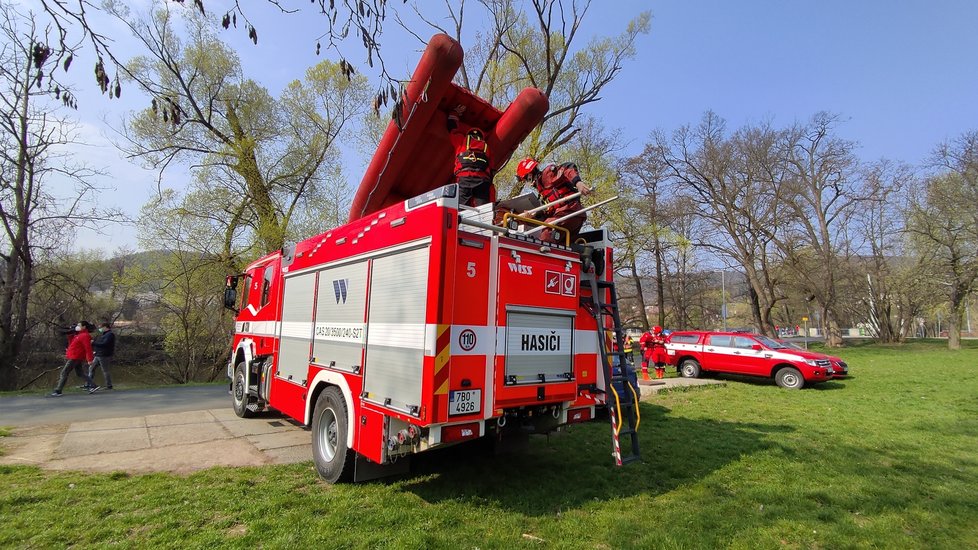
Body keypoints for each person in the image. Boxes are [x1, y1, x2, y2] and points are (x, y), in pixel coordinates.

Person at [515, 157, 591, 243]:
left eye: (525, 179)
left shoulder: (547, 175)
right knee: (564, 246)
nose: (526, 183)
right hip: (575, 216)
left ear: (529, 176)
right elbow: (548, 209)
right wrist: (534, 214)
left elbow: (567, 167)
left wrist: (578, 182)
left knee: (545, 235)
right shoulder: (542, 191)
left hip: (569, 211)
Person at [447, 105, 493, 207]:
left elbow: (451, 128)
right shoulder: (487, 148)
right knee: (483, 209)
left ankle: (460, 222)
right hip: (482, 181)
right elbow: (490, 168)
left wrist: (454, 113)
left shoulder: (461, 141)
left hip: (465, 178)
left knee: (461, 209)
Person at [50, 321, 97, 397]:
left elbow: (88, 348)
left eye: (79, 325)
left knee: (64, 373)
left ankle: (58, 390)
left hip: (75, 357)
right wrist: (70, 333)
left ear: (84, 327)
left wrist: (90, 359)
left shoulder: (85, 335)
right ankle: (93, 385)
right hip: (74, 356)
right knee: (80, 373)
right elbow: (71, 342)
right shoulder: (78, 335)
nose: (77, 327)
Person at [87, 321, 116, 392]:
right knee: (91, 368)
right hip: (98, 354)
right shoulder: (104, 334)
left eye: (101, 327)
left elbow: (104, 344)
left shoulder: (110, 335)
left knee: (105, 370)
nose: (100, 329)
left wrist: (93, 343)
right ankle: (89, 384)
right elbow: (100, 343)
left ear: (105, 327)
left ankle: (109, 385)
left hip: (104, 355)